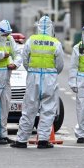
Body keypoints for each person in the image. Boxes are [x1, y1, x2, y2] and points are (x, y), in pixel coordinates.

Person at [11, 15, 64, 149]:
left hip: (33, 77)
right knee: (48, 109)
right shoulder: (55, 42)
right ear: (51, 27)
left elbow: (25, 60)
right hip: (49, 78)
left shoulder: (31, 41)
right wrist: (51, 72)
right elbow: (60, 65)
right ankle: (43, 141)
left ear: (38, 27)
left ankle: (22, 140)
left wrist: (32, 70)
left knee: (29, 108)